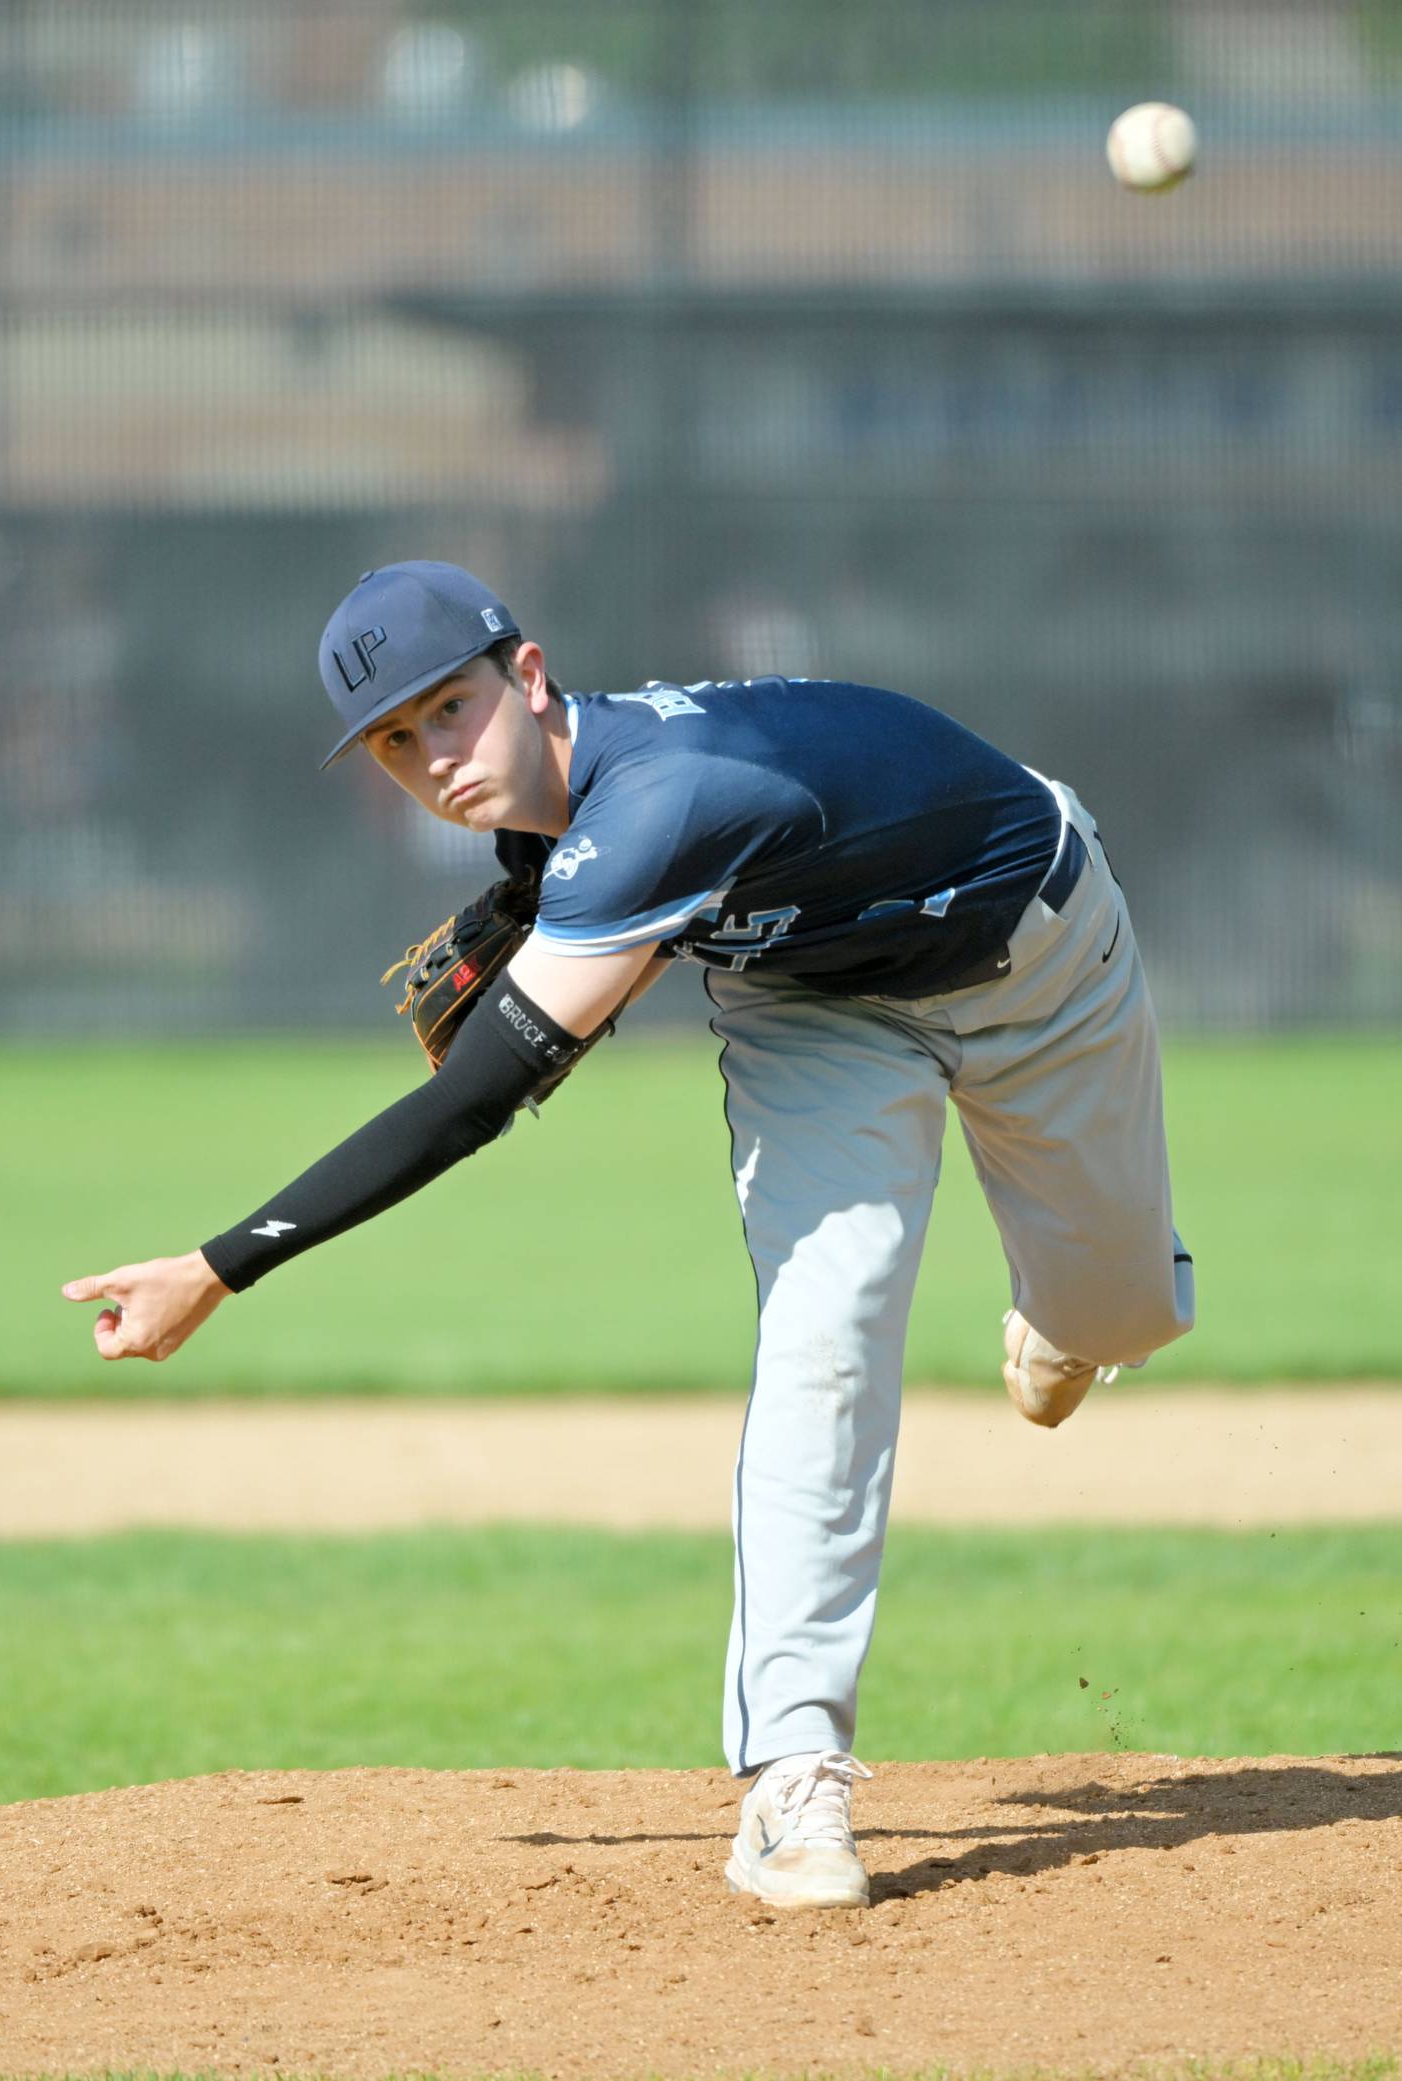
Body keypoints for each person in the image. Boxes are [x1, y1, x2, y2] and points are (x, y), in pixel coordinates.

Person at [63, 560, 1194, 1911]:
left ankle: (1069, 1313)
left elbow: (478, 1098)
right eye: (395, 738)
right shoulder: (576, 824)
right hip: (814, 1007)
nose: (434, 756)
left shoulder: (665, 798)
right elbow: (578, 884)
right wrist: (542, 896)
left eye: (451, 708)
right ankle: (794, 1776)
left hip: (1038, 952)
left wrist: (215, 1264)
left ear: (527, 675)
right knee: (824, 1327)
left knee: (1121, 1313)